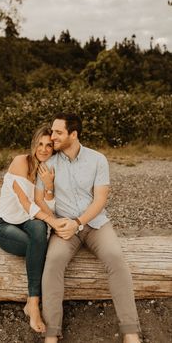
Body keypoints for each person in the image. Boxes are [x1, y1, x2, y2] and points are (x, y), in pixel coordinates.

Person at [36, 113, 141, 343]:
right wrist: (60, 223)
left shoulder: (97, 159)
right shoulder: (48, 163)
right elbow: (41, 200)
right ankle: (51, 334)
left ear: (73, 134)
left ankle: (130, 332)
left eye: (58, 132)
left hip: (94, 224)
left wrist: (79, 223)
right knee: (53, 263)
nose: (52, 136)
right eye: (52, 131)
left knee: (116, 258)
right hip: (64, 228)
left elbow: (100, 200)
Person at [0, 125, 66, 334]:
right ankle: (33, 305)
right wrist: (53, 223)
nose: (43, 149)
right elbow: (26, 204)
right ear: (34, 144)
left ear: (54, 148)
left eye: (49, 145)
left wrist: (49, 186)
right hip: (5, 225)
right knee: (38, 245)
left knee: (38, 226)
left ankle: (31, 303)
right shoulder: (20, 161)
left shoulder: (46, 169)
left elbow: (45, 209)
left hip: (28, 222)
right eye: (40, 144)